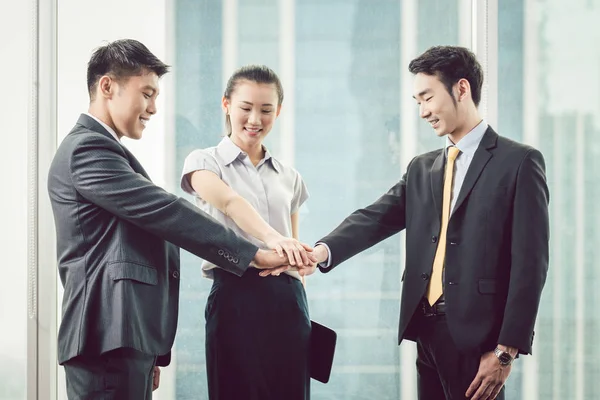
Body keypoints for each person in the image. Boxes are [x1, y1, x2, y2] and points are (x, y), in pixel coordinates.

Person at [269, 45, 550, 400]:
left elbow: (531, 264)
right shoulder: (423, 167)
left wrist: (506, 351)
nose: (422, 111)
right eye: (417, 101)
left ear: (461, 89)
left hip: (479, 338)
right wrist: (321, 252)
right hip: (426, 331)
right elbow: (376, 217)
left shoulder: (519, 162)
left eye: (427, 98)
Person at [47, 40, 299, 399]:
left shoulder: (105, 151)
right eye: (146, 93)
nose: (153, 107)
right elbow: (166, 211)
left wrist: (151, 354)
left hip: (124, 338)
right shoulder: (86, 150)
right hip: (105, 337)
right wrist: (254, 253)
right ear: (107, 87)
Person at [180, 65, 313, 400]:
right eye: (245, 108)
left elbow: (294, 246)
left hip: (288, 302)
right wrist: (275, 239)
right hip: (234, 296)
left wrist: (300, 270)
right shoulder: (204, 162)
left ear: (278, 112)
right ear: (226, 104)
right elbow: (229, 202)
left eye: (266, 110)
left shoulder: (290, 176)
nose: (255, 119)